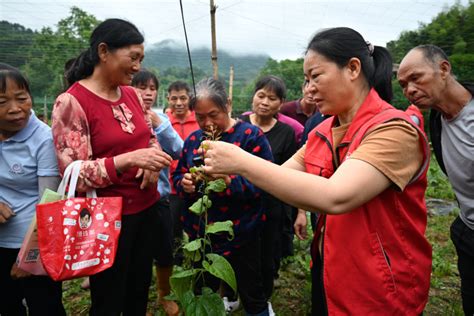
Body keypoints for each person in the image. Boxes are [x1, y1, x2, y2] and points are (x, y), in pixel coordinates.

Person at [200, 27, 432, 315]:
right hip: (331, 269)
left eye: (316, 76)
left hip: (382, 284)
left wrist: (242, 161)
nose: (308, 89)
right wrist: (228, 173)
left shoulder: (394, 130)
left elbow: (337, 196)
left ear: (353, 68)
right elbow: (281, 176)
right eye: (306, 79)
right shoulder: (323, 130)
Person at [52, 19, 172, 315]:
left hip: (146, 208)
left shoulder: (131, 95)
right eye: (133, 58)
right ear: (104, 52)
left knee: (138, 288)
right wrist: (129, 160)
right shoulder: (72, 102)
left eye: (141, 59)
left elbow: (150, 138)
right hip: (104, 222)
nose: (137, 66)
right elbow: (75, 173)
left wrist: (153, 162)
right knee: (108, 297)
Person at [173, 77, 273, 316]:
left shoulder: (250, 136)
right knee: (203, 289)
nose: (207, 123)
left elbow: (267, 181)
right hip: (202, 234)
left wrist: (229, 181)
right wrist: (185, 183)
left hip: (242, 232)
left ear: (227, 105)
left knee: (251, 290)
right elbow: (178, 176)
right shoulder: (194, 141)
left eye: (213, 114)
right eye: (200, 117)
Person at [398, 44, 474, 315]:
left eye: (416, 78)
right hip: (467, 231)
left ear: (444, 69)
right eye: (403, 84)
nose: (409, 90)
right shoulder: (437, 120)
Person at [0, 63, 65, 315]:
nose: (15, 109)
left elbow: (50, 203)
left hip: (30, 244)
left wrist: (31, 257)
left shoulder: (43, 139)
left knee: (45, 307)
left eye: (22, 98)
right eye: (2, 101)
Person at [240, 75, 297, 307]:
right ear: (253, 96)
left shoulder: (286, 133)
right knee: (238, 250)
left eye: (271, 98)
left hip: (271, 204)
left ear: (281, 103)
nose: (264, 102)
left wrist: (298, 211)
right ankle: (233, 295)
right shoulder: (239, 126)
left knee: (267, 255)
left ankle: (263, 300)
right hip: (239, 202)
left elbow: (291, 173)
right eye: (260, 95)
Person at [132, 69, 182, 316]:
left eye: (152, 88)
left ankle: (165, 294)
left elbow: (179, 150)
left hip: (159, 197)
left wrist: (159, 124)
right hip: (128, 199)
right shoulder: (122, 116)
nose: (148, 93)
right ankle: (132, 299)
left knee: (164, 250)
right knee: (134, 255)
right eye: (142, 87)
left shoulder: (161, 118)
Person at [165, 80, 200, 265]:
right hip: (172, 187)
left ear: (190, 99)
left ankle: (197, 261)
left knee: (196, 224)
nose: (178, 103)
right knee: (173, 227)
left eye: (183, 98)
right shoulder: (163, 122)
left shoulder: (199, 120)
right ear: (168, 99)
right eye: (174, 98)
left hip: (196, 184)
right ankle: (176, 262)